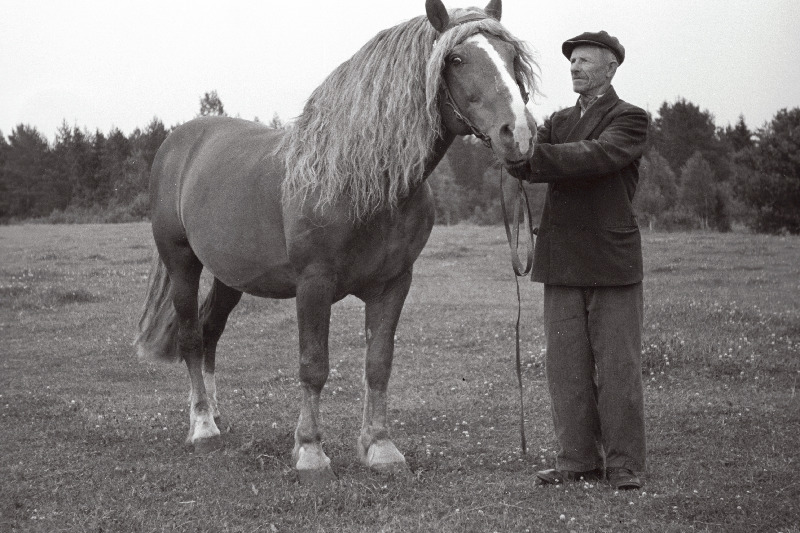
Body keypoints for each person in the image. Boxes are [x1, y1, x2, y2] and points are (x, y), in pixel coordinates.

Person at [506, 31, 648, 490]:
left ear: (611, 68)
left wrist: (535, 155)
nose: (575, 67)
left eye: (585, 61)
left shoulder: (630, 119)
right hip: (562, 260)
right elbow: (523, 160)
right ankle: (576, 460)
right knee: (565, 367)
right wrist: (513, 131)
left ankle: (624, 464)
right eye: (572, 62)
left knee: (618, 367)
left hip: (611, 262)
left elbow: (597, 156)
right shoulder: (558, 121)